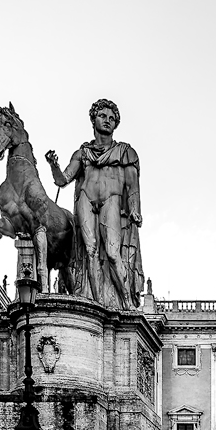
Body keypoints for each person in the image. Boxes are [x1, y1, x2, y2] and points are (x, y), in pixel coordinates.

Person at [47, 99, 143, 309]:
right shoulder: (82, 153)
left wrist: (135, 209)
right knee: (89, 251)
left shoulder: (125, 152)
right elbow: (63, 179)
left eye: (112, 118)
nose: (107, 121)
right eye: (103, 116)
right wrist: (54, 166)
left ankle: (127, 302)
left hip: (112, 199)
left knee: (111, 252)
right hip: (86, 197)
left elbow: (132, 184)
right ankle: (97, 305)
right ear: (94, 119)